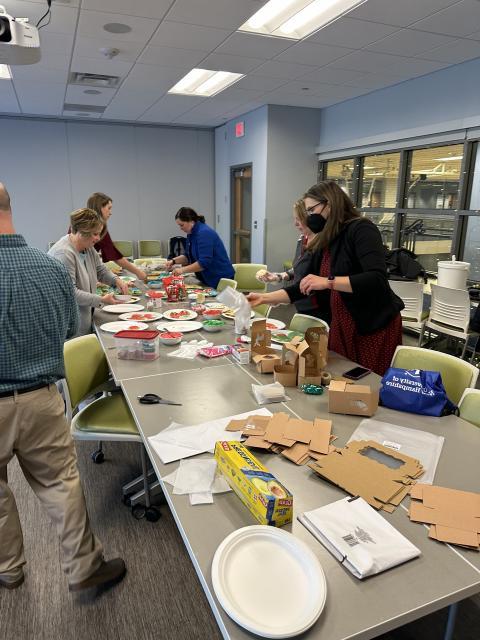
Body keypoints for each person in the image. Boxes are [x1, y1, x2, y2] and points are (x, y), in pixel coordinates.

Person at [0, 183, 126, 591]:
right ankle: (85, 567)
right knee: (61, 485)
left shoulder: (65, 257)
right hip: (41, 395)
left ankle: (8, 569)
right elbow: (66, 333)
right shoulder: (50, 266)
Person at [248, 181, 404, 375]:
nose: (310, 216)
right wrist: (264, 298)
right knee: (341, 375)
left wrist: (328, 281)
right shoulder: (328, 236)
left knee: (366, 381)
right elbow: (304, 285)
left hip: (372, 323)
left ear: (329, 204)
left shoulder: (361, 229)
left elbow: (376, 279)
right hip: (342, 320)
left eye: (312, 210)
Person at [49, 208, 129, 336]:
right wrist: (101, 299)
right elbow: (71, 293)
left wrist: (116, 280)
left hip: (84, 319)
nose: (98, 238)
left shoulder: (87, 247)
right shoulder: (64, 253)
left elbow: (100, 269)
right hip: (69, 327)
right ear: (81, 232)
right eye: (95, 234)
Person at [165, 207, 235, 289]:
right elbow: (188, 256)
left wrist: (182, 270)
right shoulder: (191, 233)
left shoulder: (204, 233)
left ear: (191, 221)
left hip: (220, 278)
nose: (181, 228)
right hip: (207, 278)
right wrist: (173, 261)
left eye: (182, 225)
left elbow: (204, 263)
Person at [87, 192, 147, 281]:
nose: (110, 213)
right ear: (100, 208)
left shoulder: (92, 223)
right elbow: (115, 256)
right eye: (109, 208)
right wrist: (139, 272)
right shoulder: (95, 226)